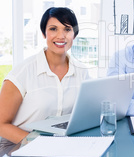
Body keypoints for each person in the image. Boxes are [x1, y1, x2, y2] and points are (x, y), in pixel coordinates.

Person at [0, 7, 88, 144]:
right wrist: (38, 144)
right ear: (43, 33)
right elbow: (1, 125)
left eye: (67, 29)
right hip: (17, 146)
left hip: (60, 146)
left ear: (74, 35)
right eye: (53, 29)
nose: (61, 36)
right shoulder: (22, 73)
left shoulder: (82, 72)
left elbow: (87, 114)